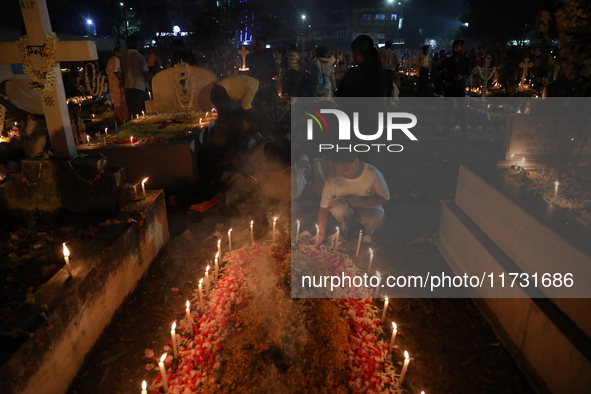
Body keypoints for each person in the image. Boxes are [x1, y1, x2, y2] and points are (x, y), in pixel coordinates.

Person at [312, 151, 390, 245]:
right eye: (337, 169)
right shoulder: (333, 178)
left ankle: (365, 230)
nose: (340, 173)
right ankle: (346, 228)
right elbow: (324, 207)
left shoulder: (372, 173)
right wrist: (321, 233)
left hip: (369, 207)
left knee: (375, 220)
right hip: (345, 208)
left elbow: (385, 198)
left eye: (344, 169)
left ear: (356, 163)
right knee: (338, 207)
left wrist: (360, 202)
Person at [439, 40, 470, 136]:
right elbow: (438, 70)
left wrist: (461, 77)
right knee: (448, 110)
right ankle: (447, 130)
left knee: (462, 110)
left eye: (457, 47)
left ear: (461, 48)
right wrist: (444, 81)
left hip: (460, 87)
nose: (455, 49)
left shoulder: (465, 60)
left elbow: (468, 73)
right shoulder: (448, 60)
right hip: (449, 87)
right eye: (454, 47)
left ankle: (464, 131)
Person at [121, 35, 150, 118]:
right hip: (139, 86)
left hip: (128, 86)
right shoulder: (140, 57)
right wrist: (150, 84)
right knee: (142, 110)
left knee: (132, 111)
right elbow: (145, 73)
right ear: (137, 45)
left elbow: (122, 73)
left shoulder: (123, 57)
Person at [106, 47, 128, 123]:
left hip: (112, 83)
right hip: (116, 84)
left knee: (116, 101)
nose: (122, 54)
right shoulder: (115, 59)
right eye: (120, 52)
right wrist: (121, 81)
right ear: (116, 52)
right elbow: (115, 71)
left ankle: (120, 118)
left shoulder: (111, 59)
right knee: (120, 100)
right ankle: (123, 119)